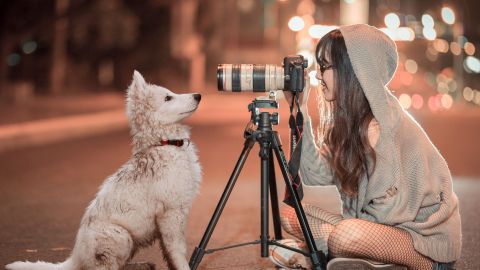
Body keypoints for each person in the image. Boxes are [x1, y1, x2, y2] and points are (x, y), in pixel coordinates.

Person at [270, 24, 461, 270]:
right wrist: (300, 109)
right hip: (374, 229)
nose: (318, 75)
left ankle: (339, 255)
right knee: (290, 216)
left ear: (354, 70)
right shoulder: (351, 122)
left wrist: (342, 234)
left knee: (345, 235)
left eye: (325, 66)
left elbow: (390, 217)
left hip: (421, 241)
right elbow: (314, 174)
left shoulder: (382, 127)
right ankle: (349, 257)